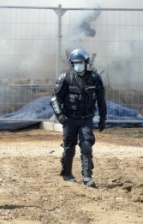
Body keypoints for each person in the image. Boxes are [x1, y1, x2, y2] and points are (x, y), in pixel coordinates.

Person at [50, 48, 107, 186]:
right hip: (69, 119)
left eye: (81, 62)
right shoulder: (65, 78)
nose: (78, 65)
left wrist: (103, 118)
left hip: (86, 119)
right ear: (72, 63)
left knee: (86, 144)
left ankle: (87, 177)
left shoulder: (94, 78)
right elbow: (55, 99)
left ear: (86, 62)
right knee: (69, 147)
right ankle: (67, 173)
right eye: (75, 62)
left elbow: (101, 100)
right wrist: (60, 116)